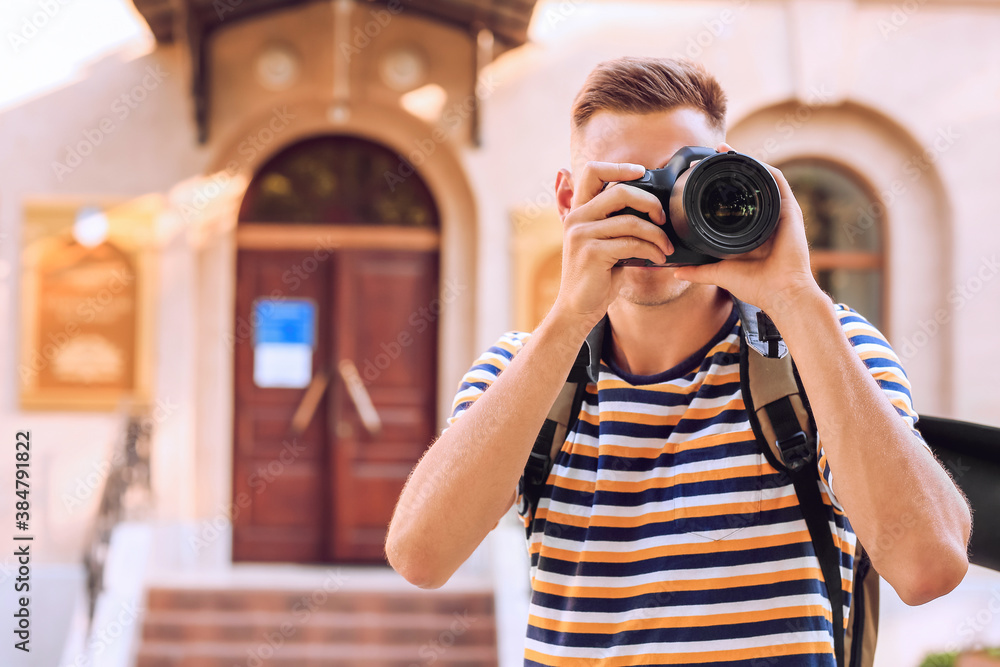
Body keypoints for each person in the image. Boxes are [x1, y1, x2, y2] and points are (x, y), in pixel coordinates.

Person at [385, 57, 972, 666]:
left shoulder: (825, 348)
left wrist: (796, 297)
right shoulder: (521, 369)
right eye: (625, 192)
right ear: (568, 201)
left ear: (732, 184)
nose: (655, 217)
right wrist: (568, 317)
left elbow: (927, 566)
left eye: (679, 183)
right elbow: (421, 558)